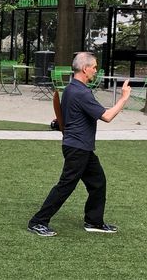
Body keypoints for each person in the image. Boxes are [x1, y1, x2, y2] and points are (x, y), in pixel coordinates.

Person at [27, 52, 131, 237]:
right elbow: (106, 116)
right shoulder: (81, 92)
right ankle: (37, 221)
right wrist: (123, 98)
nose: (95, 70)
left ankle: (94, 221)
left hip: (81, 147)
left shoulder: (71, 89)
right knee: (65, 186)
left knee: (98, 183)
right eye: (94, 67)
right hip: (77, 148)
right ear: (85, 68)